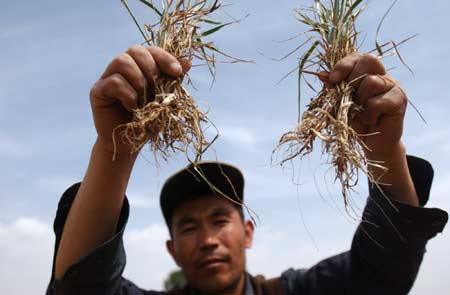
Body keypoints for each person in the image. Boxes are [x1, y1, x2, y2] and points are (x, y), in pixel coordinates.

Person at [45, 45, 448, 295]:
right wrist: (114, 152)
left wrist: (385, 151)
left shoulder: (300, 291)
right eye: (187, 227)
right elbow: (80, 289)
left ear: (248, 232)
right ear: (171, 250)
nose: (207, 240)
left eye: (220, 219)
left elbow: (383, 274)